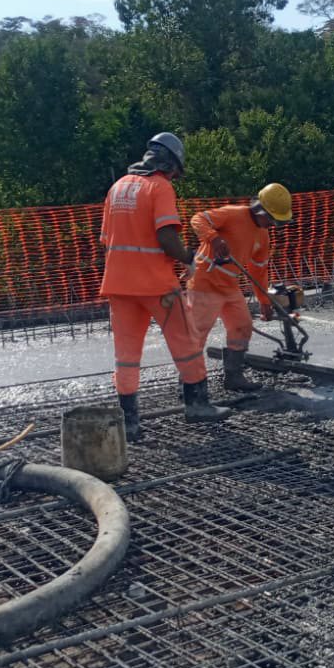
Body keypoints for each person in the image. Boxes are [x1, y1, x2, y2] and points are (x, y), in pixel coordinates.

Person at [100, 131, 230, 443]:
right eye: (175, 170)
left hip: (118, 285)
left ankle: (129, 423)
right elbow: (166, 237)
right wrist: (188, 258)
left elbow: (106, 241)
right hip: (156, 285)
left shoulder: (116, 188)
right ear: (169, 164)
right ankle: (196, 404)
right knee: (186, 341)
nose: (174, 175)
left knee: (126, 355)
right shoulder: (159, 187)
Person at [188, 183, 293, 392]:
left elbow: (259, 270)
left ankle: (234, 377)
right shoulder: (233, 214)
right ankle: (190, 385)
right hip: (205, 282)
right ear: (260, 210)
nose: (273, 224)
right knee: (197, 334)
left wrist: (264, 302)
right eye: (271, 219)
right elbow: (197, 219)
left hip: (229, 286)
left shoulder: (263, 235)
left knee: (242, 326)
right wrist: (214, 238)